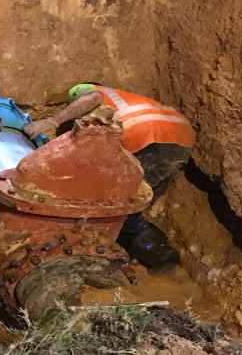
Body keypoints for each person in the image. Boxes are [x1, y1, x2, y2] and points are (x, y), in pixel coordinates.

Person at [23, 82, 195, 272]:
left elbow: (93, 98)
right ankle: (156, 248)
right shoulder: (126, 99)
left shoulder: (86, 88)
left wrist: (51, 122)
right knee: (128, 203)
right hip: (182, 136)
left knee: (116, 205)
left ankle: (155, 251)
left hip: (145, 136)